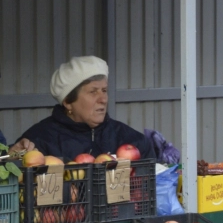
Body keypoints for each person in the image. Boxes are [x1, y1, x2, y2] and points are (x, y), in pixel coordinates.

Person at [14, 56, 154, 160]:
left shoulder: (133, 141)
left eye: (104, 90)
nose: (103, 99)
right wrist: (13, 158)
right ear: (68, 102)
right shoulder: (39, 142)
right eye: (93, 92)